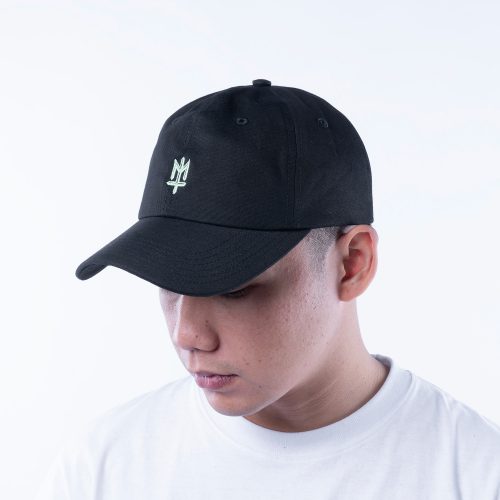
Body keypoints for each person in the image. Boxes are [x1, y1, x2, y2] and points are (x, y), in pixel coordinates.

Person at [35, 79, 500, 499]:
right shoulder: (103, 467)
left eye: (233, 288)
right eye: (168, 283)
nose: (187, 334)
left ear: (352, 264)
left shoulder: (476, 474)